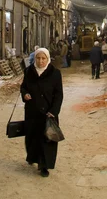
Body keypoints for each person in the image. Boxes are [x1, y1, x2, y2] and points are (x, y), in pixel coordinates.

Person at [20, 48, 63, 178]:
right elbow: (23, 87)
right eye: (38, 58)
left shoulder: (55, 73)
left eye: (43, 58)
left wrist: (53, 111)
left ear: (48, 59)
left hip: (48, 113)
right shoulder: (29, 72)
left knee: (47, 139)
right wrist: (25, 94)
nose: (41, 61)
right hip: (32, 112)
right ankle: (32, 158)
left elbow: (59, 95)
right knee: (32, 137)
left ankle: (44, 166)